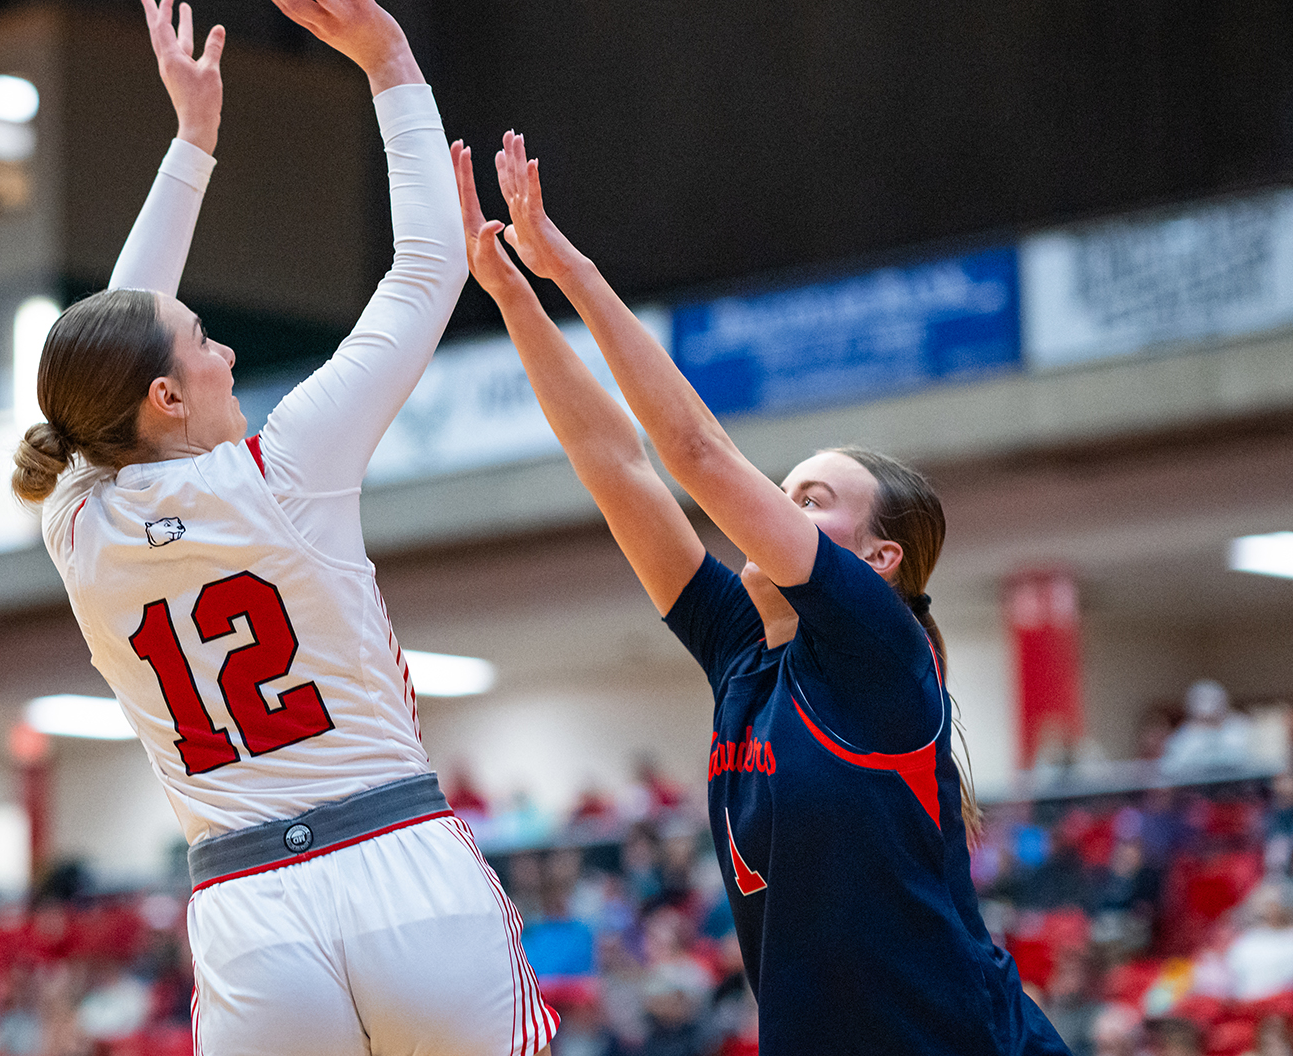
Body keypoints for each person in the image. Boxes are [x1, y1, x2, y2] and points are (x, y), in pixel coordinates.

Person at [9, 0, 555, 1056]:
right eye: (203, 344)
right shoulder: (282, 467)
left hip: (250, 909)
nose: (222, 354)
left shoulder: (74, 516)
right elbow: (422, 270)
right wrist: (387, 58)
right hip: (399, 866)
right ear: (165, 396)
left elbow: (115, 327)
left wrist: (190, 145)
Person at [455, 131, 1069, 1054]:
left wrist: (567, 268)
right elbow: (615, 463)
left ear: (879, 562)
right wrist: (512, 294)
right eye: (780, 491)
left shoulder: (880, 652)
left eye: (809, 500)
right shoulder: (746, 649)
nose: (773, 509)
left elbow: (695, 454)